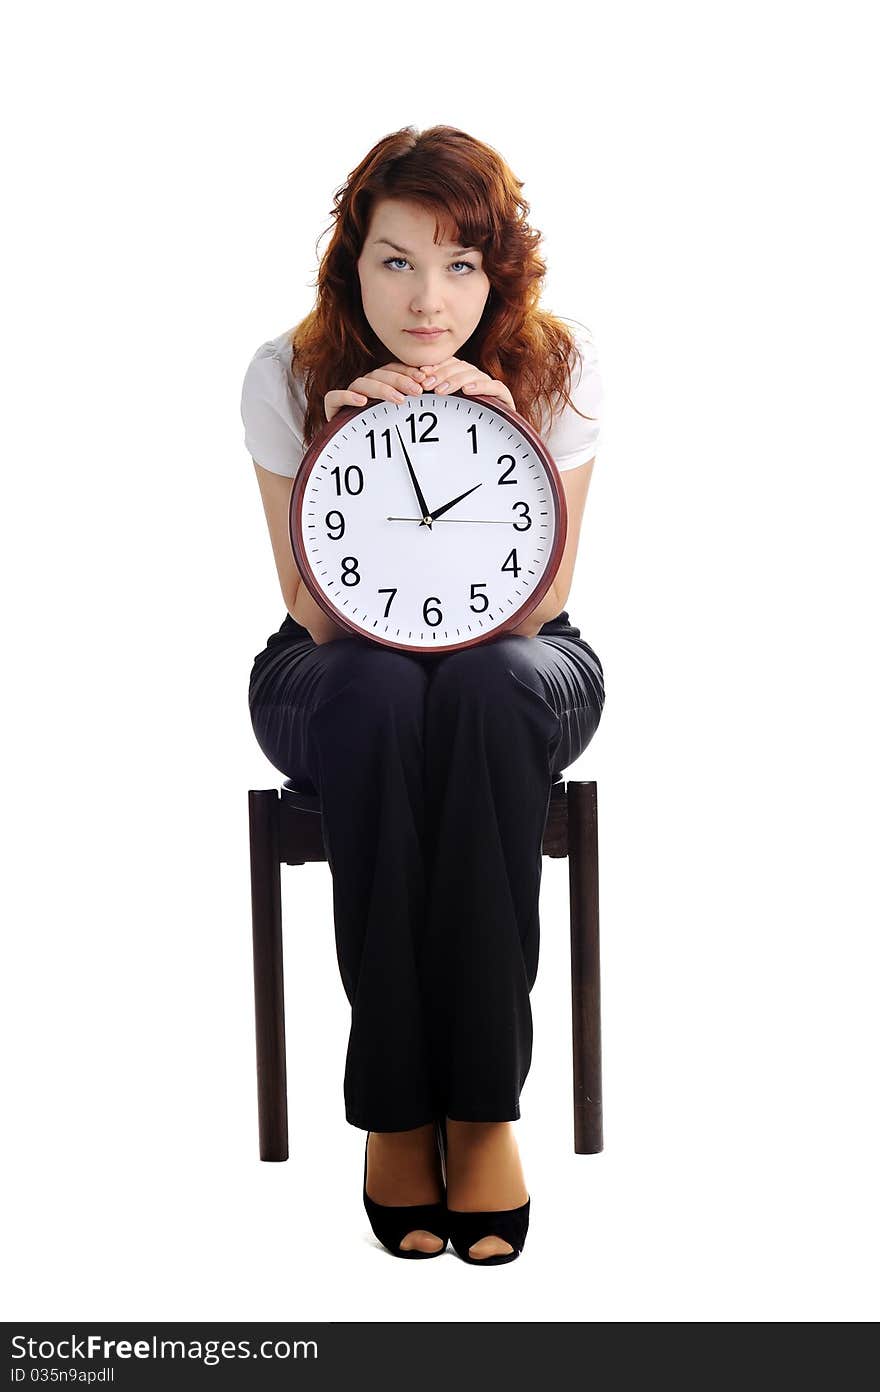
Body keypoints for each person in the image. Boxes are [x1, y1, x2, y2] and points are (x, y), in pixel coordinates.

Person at [240, 124, 606, 1267]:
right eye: (396, 260)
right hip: (334, 662)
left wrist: (493, 423)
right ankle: (396, 1112)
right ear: (351, 264)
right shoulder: (288, 373)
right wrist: (350, 449)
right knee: (380, 693)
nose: (427, 297)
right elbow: (309, 608)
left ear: (497, 270)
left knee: (489, 689)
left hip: (519, 657)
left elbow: (541, 602)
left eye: (459, 263)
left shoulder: (557, 367)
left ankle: (482, 1112)